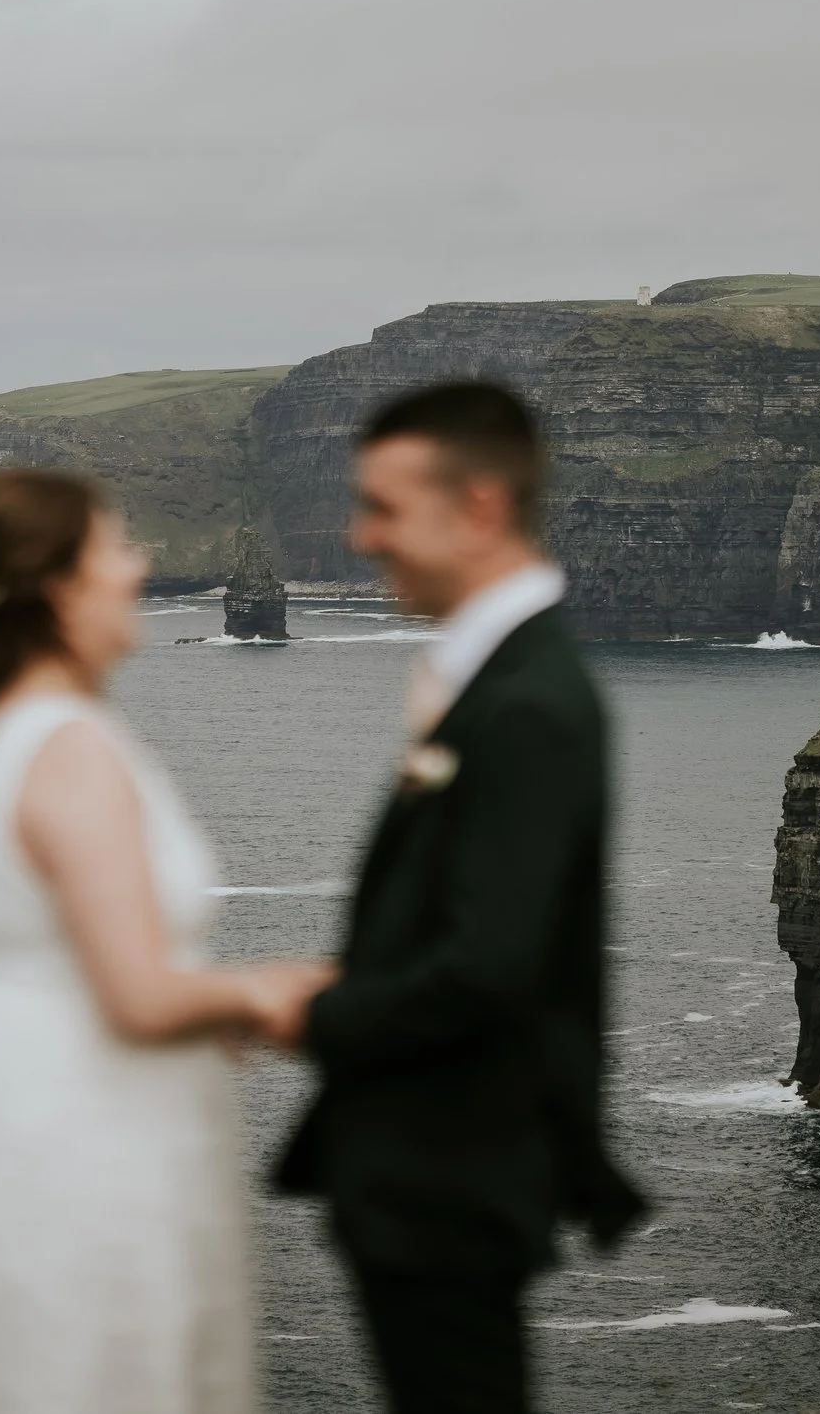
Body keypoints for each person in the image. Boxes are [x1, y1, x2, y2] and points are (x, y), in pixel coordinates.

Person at [0, 467, 332, 1414]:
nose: (140, 566)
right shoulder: (70, 746)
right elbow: (136, 997)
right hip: (74, 1125)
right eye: (115, 548)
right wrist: (274, 990)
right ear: (57, 588)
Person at [273, 382, 648, 1414]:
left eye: (383, 507)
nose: (359, 538)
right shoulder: (496, 678)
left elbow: (489, 964)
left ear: (479, 506)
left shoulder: (528, 703)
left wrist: (314, 1013)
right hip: (433, 1175)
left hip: (451, 1173)